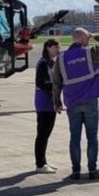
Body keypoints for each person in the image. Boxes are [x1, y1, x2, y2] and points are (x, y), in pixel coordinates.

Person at [52, 27, 99, 181]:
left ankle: (76, 171)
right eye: (87, 38)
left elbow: (56, 82)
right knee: (92, 138)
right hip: (90, 101)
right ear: (83, 39)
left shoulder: (61, 59)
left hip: (72, 102)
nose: (88, 41)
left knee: (75, 138)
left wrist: (57, 102)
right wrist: (98, 37)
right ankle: (92, 170)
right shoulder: (90, 53)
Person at [33, 39, 61, 173]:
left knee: (46, 133)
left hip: (50, 101)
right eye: (55, 47)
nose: (58, 49)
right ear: (48, 47)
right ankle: (40, 164)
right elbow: (41, 83)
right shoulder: (43, 63)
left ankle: (43, 160)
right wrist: (56, 87)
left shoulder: (51, 62)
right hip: (44, 101)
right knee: (43, 134)